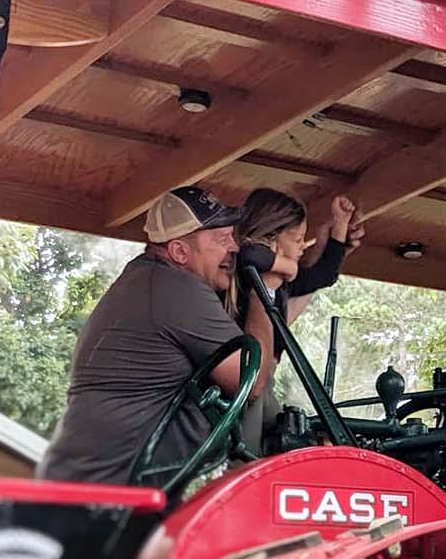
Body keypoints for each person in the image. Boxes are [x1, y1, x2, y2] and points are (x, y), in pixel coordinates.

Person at [38, 186, 276, 487]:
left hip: (91, 481)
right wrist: (262, 292)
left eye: (233, 236)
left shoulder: (146, 279)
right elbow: (252, 380)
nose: (235, 248)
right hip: (109, 494)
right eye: (221, 238)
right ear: (179, 251)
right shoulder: (176, 289)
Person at [225, 189, 363, 445]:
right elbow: (250, 253)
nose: (302, 245)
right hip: (245, 376)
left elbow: (323, 276)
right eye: (298, 238)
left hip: (268, 376)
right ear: (272, 237)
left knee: (285, 437)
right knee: (247, 449)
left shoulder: (278, 279)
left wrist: (339, 229)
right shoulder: (247, 267)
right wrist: (287, 265)